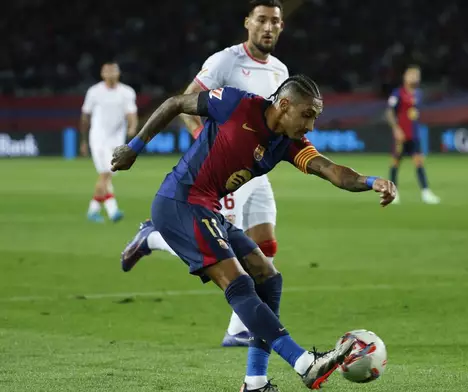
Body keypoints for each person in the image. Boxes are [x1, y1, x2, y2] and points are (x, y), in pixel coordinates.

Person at [111, 75, 397, 392]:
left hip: (208, 209)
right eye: (307, 115)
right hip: (180, 201)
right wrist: (134, 148)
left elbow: (331, 171)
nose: (311, 126)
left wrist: (372, 182)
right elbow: (176, 102)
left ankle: (255, 382)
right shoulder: (235, 103)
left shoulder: (287, 143)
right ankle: (305, 364)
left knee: (268, 277)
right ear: (284, 105)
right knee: (238, 282)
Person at [120, 0, 288, 348]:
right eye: (261, 20)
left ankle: (239, 329)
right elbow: (186, 101)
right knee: (219, 245)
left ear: (281, 26)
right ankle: (150, 237)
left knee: (265, 245)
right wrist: (208, 143)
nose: (268, 27)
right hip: (222, 173)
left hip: (256, 171)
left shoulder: (280, 71)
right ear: (247, 22)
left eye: (274, 21)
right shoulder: (226, 60)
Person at [80, 62, 138, 222]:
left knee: (107, 174)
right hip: (98, 138)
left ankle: (93, 209)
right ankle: (113, 210)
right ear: (102, 73)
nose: (111, 73)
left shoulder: (127, 92)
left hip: (116, 140)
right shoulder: (94, 92)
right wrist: (83, 141)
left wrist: (132, 128)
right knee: (106, 173)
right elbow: (85, 116)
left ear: (118, 73)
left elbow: (131, 113)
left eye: (114, 70)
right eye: (107, 71)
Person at [385, 65, 440, 205]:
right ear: (405, 77)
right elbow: (389, 112)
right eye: (412, 75)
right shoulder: (398, 93)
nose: (415, 78)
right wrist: (396, 129)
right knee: (395, 163)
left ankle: (426, 193)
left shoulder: (418, 94)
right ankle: (393, 193)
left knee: (419, 163)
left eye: (417, 75)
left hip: (414, 135)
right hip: (401, 135)